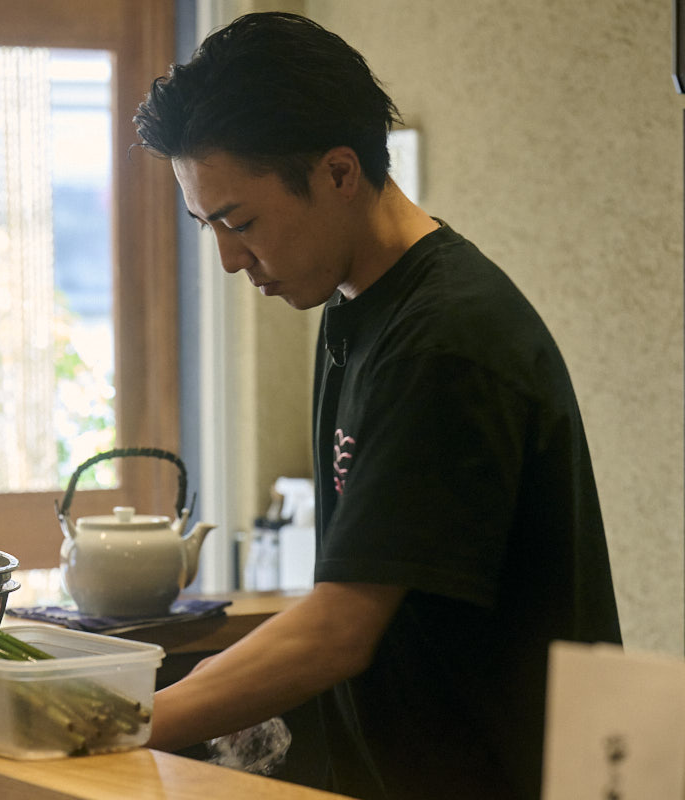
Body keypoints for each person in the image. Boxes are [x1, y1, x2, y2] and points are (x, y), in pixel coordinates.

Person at [132, 12, 621, 800]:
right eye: (206, 226)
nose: (227, 260)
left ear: (337, 172)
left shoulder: (447, 339)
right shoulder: (357, 306)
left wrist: (116, 722)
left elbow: (339, 630)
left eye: (240, 222)